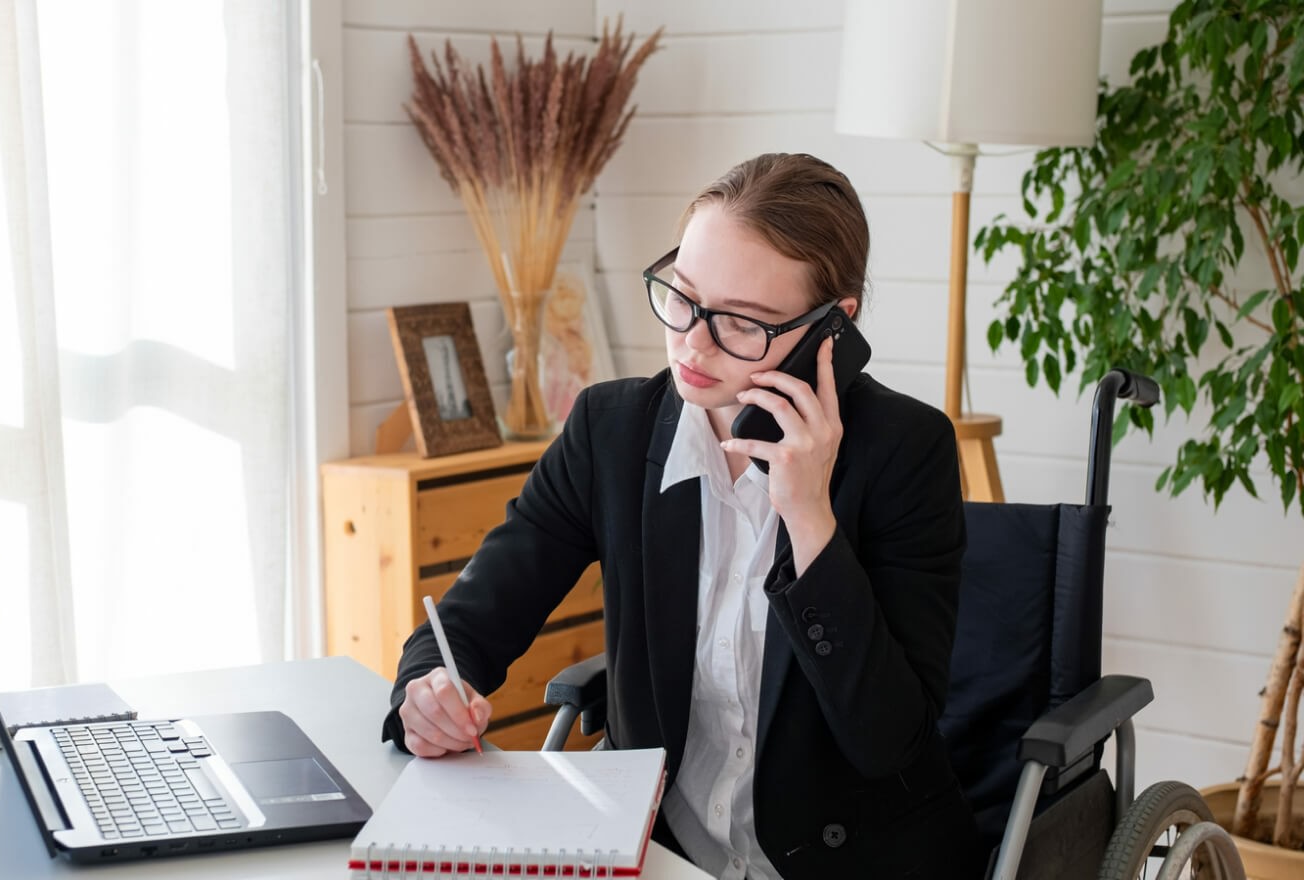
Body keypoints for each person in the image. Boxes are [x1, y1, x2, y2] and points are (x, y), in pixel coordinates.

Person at [382, 153, 977, 879]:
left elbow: (888, 741)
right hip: (665, 857)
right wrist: (430, 690)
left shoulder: (904, 453)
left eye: (742, 323)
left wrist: (809, 517)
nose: (693, 342)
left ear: (833, 327)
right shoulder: (610, 432)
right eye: (683, 296)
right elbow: (470, 621)